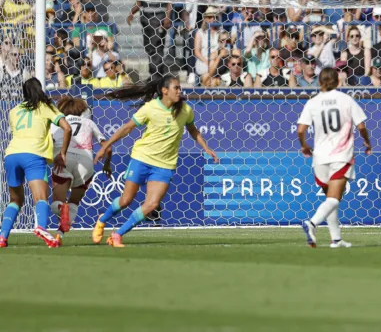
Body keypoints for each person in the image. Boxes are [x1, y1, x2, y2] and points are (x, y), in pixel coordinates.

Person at [92, 76, 219, 247]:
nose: (180, 91)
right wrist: (104, 147)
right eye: (176, 88)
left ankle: (117, 234)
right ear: (164, 91)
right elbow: (126, 128)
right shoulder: (150, 108)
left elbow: (193, 130)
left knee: (152, 205)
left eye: (180, 88)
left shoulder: (186, 110)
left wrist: (206, 147)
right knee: (126, 201)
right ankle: (102, 220)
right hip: (142, 158)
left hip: (165, 164)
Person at [297, 68, 372, 248]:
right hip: (340, 155)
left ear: (319, 82)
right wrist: (367, 142)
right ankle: (312, 223)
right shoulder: (346, 100)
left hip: (320, 157)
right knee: (334, 199)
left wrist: (305, 146)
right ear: (338, 81)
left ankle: (336, 239)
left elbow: (301, 129)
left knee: (330, 199)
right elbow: (361, 126)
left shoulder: (313, 103)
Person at [1, 78, 72, 248]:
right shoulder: (46, 106)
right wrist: (62, 153)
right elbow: (67, 128)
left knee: (15, 200)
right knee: (40, 197)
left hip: (11, 155)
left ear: (24, 93)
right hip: (34, 154)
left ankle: (2, 237)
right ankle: (41, 227)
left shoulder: (14, 110)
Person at [49, 96, 111, 240]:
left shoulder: (57, 122)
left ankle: (60, 209)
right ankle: (60, 234)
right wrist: (107, 165)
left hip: (64, 159)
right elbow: (108, 149)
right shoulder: (89, 123)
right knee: (74, 203)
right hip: (86, 163)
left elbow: (48, 142)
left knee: (57, 202)